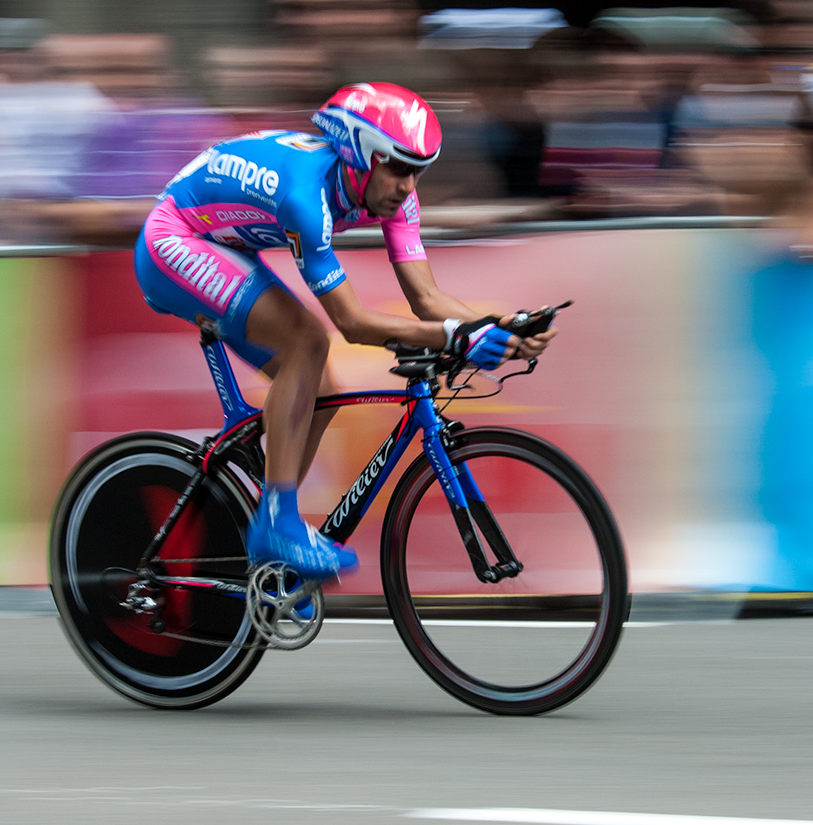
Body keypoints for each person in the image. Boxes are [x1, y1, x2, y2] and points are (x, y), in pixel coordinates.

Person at [134, 82, 556, 580]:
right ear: (362, 157)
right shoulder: (305, 198)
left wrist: (497, 327)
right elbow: (352, 323)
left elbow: (426, 300)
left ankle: (269, 517)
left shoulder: (394, 195)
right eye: (399, 169)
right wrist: (455, 339)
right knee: (307, 343)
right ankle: (277, 524)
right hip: (172, 241)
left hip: (222, 240)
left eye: (418, 172)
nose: (408, 186)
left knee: (323, 387)